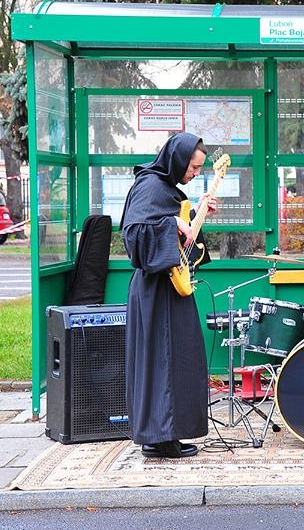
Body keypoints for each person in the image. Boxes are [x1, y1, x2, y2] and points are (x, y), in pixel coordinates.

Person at [120, 132, 218, 458]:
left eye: (200, 168)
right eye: (193, 166)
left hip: (171, 286)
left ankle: (169, 433)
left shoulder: (168, 191)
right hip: (155, 291)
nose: (195, 173)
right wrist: (175, 221)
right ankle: (158, 438)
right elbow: (134, 235)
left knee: (177, 359)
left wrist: (195, 219)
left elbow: (182, 245)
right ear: (177, 160)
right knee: (160, 361)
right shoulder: (150, 186)